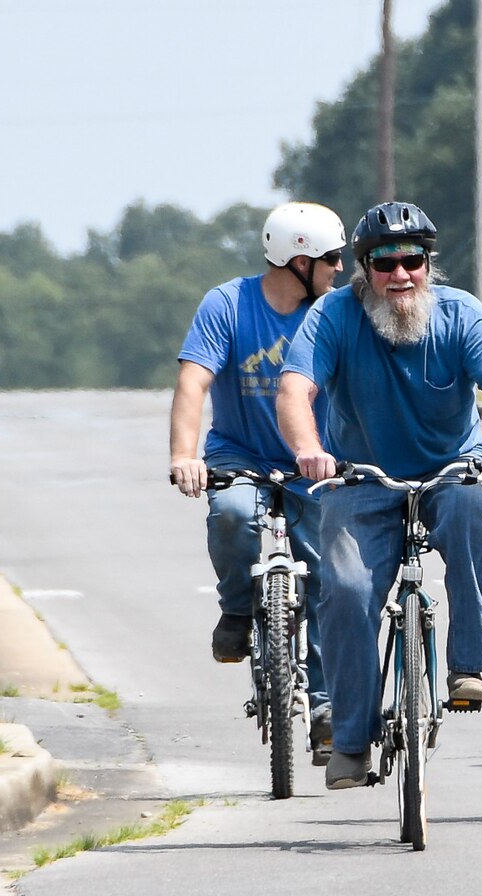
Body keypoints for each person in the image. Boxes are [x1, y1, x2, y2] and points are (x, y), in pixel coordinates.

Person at [276, 201, 482, 790]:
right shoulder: (334, 316)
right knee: (342, 590)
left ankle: (467, 664)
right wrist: (308, 450)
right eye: (384, 263)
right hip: (360, 480)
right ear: (363, 270)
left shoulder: (462, 314)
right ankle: (349, 739)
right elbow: (295, 391)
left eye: (412, 260)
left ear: (428, 263)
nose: (401, 275)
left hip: (450, 472)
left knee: (473, 508)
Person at [169, 201, 346, 762]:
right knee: (232, 515)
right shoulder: (228, 304)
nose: (341, 269)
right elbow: (193, 382)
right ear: (300, 260)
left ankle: (324, 704)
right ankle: (238, 611)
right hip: (238, 453)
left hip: (314, 461)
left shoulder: (336, 311)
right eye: (332, 258)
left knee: (328, 576)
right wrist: (184, 455)